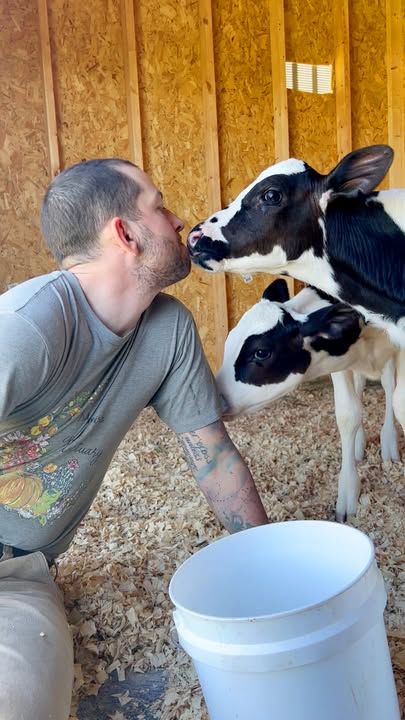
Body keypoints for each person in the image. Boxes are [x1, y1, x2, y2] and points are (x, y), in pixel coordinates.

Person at [0, 158, 269, 719]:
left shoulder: (168, 329)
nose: (178, 222)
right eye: (161, 205)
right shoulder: (27, 327)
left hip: (18, 577)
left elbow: (214, 459)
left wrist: (271, 567)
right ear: (125, 233)